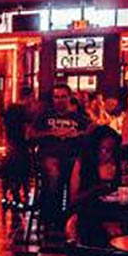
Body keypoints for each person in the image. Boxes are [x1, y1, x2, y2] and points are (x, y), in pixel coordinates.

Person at [31, 84, 92, 224]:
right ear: (52, 98)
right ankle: (52, 217)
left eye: (63, 97)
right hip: (49, 155)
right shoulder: (45, 116)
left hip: (72, 157)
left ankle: (73, 217)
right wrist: (51, 133)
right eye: (56, 97)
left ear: (69, 98)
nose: (60, 100)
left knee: (81, 175)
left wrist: (77, 134)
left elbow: (93, 131)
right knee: (54, 173)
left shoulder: (78, 117)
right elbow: (30, 134)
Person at [66, 126, 124, 245]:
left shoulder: (116, 164)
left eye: (112, 151)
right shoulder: (84, 163)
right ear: (94, 148)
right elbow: (73, 200)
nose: (108, 155)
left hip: (114, 212)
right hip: (88, 212)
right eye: (104, 150)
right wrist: (97, 189)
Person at [2, 86, 36, 210]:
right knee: (22, 171)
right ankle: (20, 197)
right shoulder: (25, 111)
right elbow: (27, 129)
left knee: (12, 171)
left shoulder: (11, 109)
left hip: (13, 143)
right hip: (21, 144)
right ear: (29, 96)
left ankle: (10, 196)